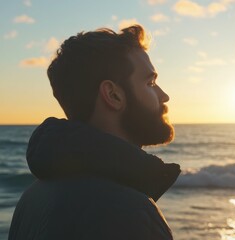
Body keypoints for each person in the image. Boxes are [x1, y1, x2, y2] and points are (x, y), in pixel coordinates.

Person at [8, 25, 181, 240]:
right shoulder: (129, 215)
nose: (164, 95)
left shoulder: (32, 199)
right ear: (113, 95)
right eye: (150, 82)